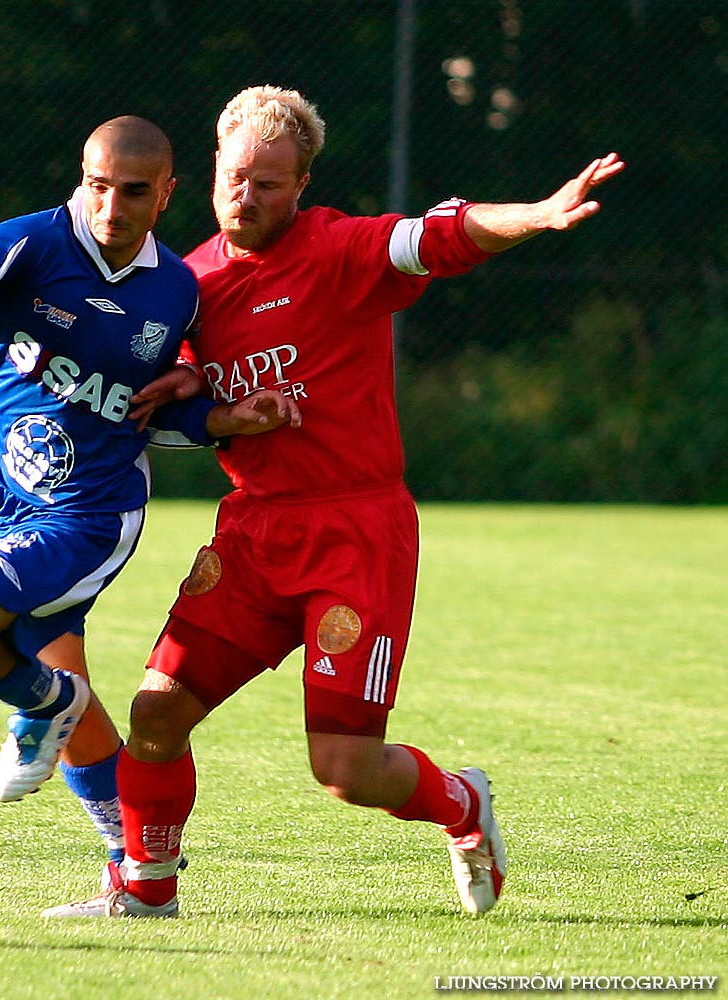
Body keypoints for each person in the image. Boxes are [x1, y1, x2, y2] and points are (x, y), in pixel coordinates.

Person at [42, 86, 626, 918]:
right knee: (155, 715)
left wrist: (534, 214)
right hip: (251, 532)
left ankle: (462, 805)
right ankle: (146, 889)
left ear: (303, 188)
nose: (247, 197)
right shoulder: (187, 283)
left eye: (270, 185)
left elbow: (439, 236)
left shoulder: (340, 250)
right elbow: (144, 397)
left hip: (355, 531)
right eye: (236, 177)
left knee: (345, 771)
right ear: (212, 169)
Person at [0, 115, 299, 871]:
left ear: (166, 194)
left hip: (90, 514)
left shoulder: (177, 291)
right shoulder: (35, 245)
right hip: (0, 496)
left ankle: (43, 705)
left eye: (133, 192)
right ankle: (136, 865)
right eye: (97, 187)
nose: (110, 208)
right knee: (59, 673)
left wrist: (217, 405)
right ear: (81, 178)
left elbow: (171, 399)